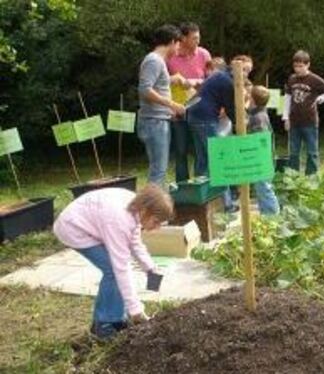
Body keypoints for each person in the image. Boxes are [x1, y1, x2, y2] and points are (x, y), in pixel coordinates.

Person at [52, 186, 174, 340]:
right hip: (73, 229)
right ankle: (103, 325)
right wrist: (135, 309)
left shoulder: (135, 208)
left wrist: (150, 268)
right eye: (155, 222)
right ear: (145, 210)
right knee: (113, 271)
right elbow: (121, 267)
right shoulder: (119, 220)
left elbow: (134, 242)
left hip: (90, 222)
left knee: (115, 272)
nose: (156, 228)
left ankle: (115, 319)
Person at [186, 56, 253, 212]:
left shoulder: (220, 75)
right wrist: (242, 122)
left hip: (194, 115)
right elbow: (231, 108)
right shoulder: (228, 82)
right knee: (218, 161)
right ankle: (227, 205)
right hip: (206, 118)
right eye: (244, 70)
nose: (246, 75)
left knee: (202, 161)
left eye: (248, 71)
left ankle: (201, 201)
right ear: (236, 69)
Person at [137, 24, 185, 187]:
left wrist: (172, 79)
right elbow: (145, 89)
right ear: (172, 42)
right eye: (178, 44)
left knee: (159, 169)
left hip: (157, 120)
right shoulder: (154, 60)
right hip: (154, 122)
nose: (178, 49)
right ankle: (151, 211)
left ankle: (153, 209)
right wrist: (172, 104)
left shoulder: (157, 61)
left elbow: (155, 84)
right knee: (158, 171)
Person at [166, 22, 212, 183]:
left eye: (199, 38)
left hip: (200, 111)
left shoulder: (204, 54)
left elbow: (211, 79)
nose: (198, 42)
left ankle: (203, 187)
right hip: (178, 111)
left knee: (201, 150)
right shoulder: (170, 57)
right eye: (194, 39)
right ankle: (182, 189)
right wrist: (169, 107)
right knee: (180, 150)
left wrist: (193, 81)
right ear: (183, 38)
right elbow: (162, 83)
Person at [282, 50, 324, 175]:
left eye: (301, 66)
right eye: (295, 66)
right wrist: (286, 118)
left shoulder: (314, 79)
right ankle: (293, 176)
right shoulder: (291, 79)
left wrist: (321, 98)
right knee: (293, 151)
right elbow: (287, 98)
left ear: (308, 65)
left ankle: (311, 177)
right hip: (294, 121)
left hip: (309, 121)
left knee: (312, 151)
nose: (298, 69)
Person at [246, 85, 280, 215]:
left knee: (264, 188)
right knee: (262, 188)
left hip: (262, 159)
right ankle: (266, 214)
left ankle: (272, 216)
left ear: (253, 100)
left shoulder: (258, 118)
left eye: (248, 96)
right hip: (263, 159)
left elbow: (260, 140)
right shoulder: (258, 114)